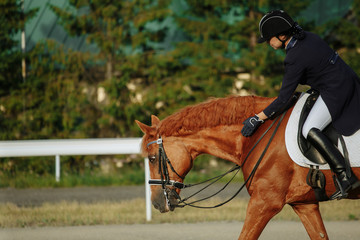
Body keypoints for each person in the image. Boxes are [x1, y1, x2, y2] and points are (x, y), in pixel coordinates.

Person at [241, 10, 360, 199]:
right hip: (345, 81)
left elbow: (283, 99)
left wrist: (258, 118)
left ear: (282, 35)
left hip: (337, 90)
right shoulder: (309, 38)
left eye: (270, 38)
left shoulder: (294, 57)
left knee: (309, 129)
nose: (268, 43)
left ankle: (345, 176)